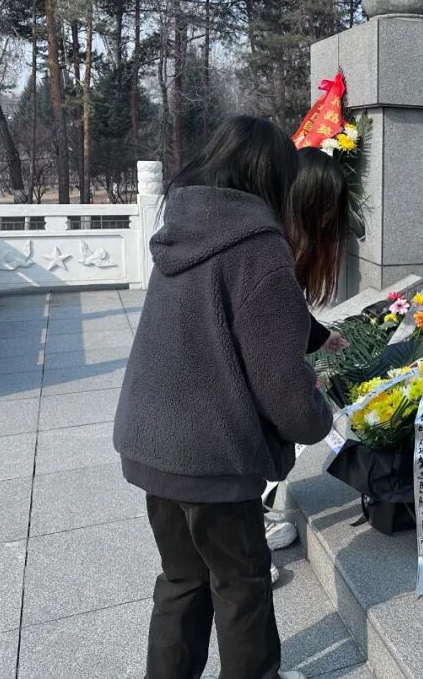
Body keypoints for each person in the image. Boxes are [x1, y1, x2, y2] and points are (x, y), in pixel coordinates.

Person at [114, 116, 336, 679]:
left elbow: (227, 312)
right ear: (272, 176)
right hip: (211, 454)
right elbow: (280, 379)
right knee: (241, 585)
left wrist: (315, 335)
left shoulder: (186, 227)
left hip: (152, 443)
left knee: (182, 581)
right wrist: (320, 415)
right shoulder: (258, 245)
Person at [262, 147, 352, 551]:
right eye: (327, 207)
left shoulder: (275, 242)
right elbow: (273, 359)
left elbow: (288, 313)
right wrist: (312, 407)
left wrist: (319, 337)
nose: (330, 220)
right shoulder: (271, 254)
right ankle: (247, 541)